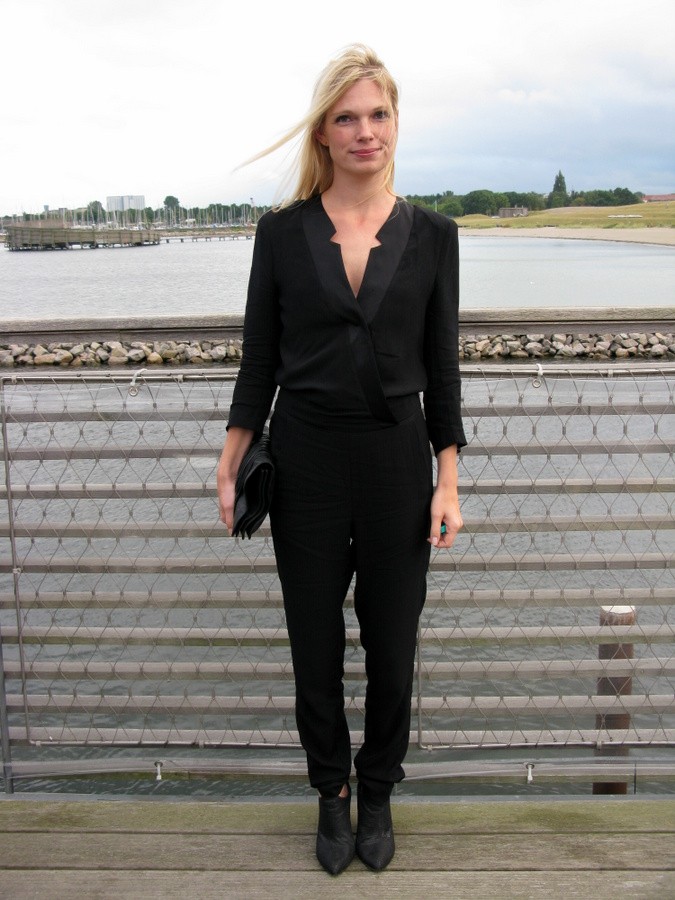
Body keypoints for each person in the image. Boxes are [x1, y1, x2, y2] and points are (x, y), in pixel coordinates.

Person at [217, 44, 466, 876]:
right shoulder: (281, 233)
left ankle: (379, 788)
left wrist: (447, 481)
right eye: (347, 117)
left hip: (396, 463)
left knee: (392, 646)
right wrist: (231, 459)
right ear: (322, 132)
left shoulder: (433, 235)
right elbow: (259, 357)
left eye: (379, 114)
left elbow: (442, 368)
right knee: (314, 646)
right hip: (307, 462)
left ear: (396, 122)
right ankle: (330, 791)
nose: (366, 131)